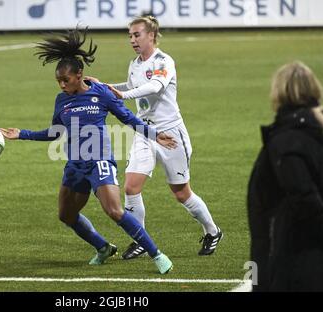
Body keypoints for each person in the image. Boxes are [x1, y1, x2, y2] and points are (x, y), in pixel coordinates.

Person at [0, 27, 177, 274]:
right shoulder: (62, 100)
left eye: (66, 80)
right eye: (58, 81)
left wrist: (155, 135)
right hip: (75, 165)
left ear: (79, 74)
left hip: (99, 161)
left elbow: (128, 118)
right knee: (66, 215)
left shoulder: (100, 93)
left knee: (115, 211)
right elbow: (56, 132)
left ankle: (157, 254)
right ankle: (103, 247)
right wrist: (22, 134)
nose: (62, 85)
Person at [86, 16, 222, 259]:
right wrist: (103, 85)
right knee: (131, 187)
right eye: (130, 36)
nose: (132, 40)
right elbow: (128, 85)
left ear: (151, 35)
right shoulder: (135, 64)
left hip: (170, 134)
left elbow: (155, 86)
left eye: (137, 34)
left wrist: (122, 95)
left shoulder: (164, 61)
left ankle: (212, 231)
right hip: (145, 132)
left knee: (181, 193)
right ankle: (140, 239)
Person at [247, 61, 323, 291]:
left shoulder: (287, 142)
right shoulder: (316, 129)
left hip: (297, 263)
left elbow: (307, 203)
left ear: (279, 92)